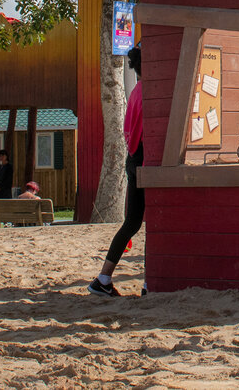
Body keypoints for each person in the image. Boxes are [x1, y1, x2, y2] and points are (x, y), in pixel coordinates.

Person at [89, 44, 146, 297]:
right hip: (145, 162)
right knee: (153, 223)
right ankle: (149, 283)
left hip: (133, 160)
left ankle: (103, 278)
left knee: (132, 222)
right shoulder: (149, 95)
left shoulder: (135, 92)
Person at [0, 148, 14, 228]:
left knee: (6, 207)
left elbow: (8, 179)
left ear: (6, 156)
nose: (1, 157)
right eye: (0, 156)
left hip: (5, 191)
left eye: (3, 155)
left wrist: (1, 186)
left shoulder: (9, 167)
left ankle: (6, 223)